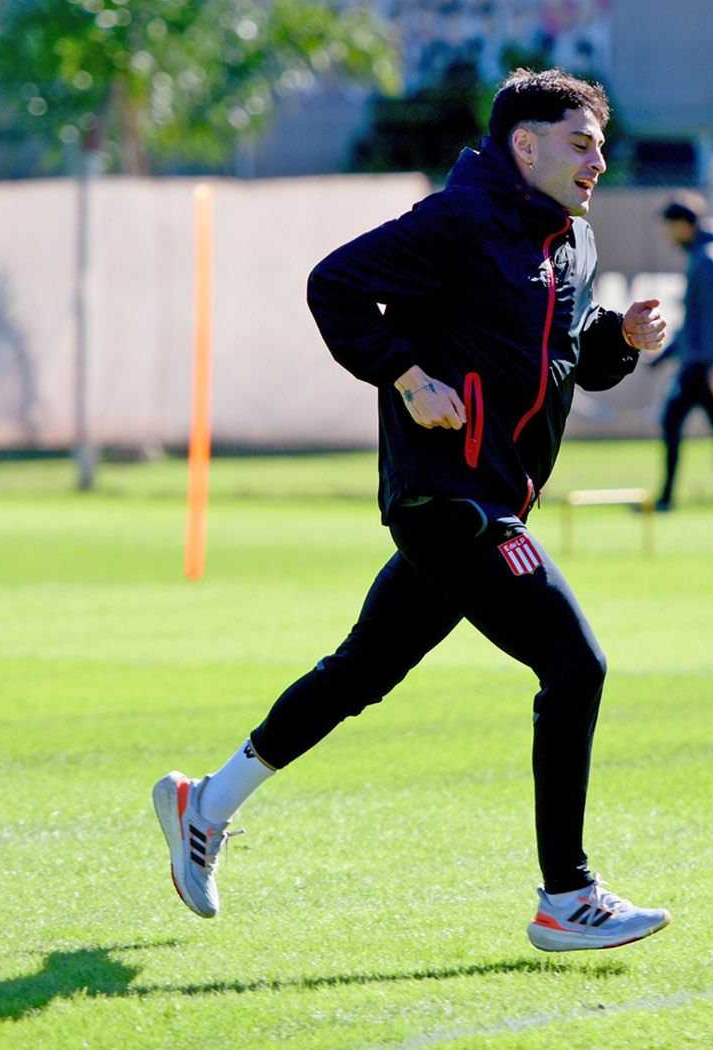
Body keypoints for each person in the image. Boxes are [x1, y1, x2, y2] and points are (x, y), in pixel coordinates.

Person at [153, 68, 672, 953]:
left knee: (362, 672)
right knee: (575, 667)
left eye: (600, 146)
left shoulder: (570, 244)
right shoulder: (459, 219)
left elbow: (562, 360)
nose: (599, 161)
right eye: (581, 144)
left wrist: (616, 339)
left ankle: (206, 802)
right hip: (449, 498)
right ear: (526, 144)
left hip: (492, 497)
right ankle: (566, 896)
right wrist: (406, 374)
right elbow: (335, 285)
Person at [649, 191, 713, 512]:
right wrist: (668, 355)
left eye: (671, 227)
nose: (668, 235)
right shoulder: (706, 254)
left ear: (684, 224)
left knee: (689, 424)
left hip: (705, 363)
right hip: (701, 360)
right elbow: (697, 318)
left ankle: (669, 498)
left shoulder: (708, 259)